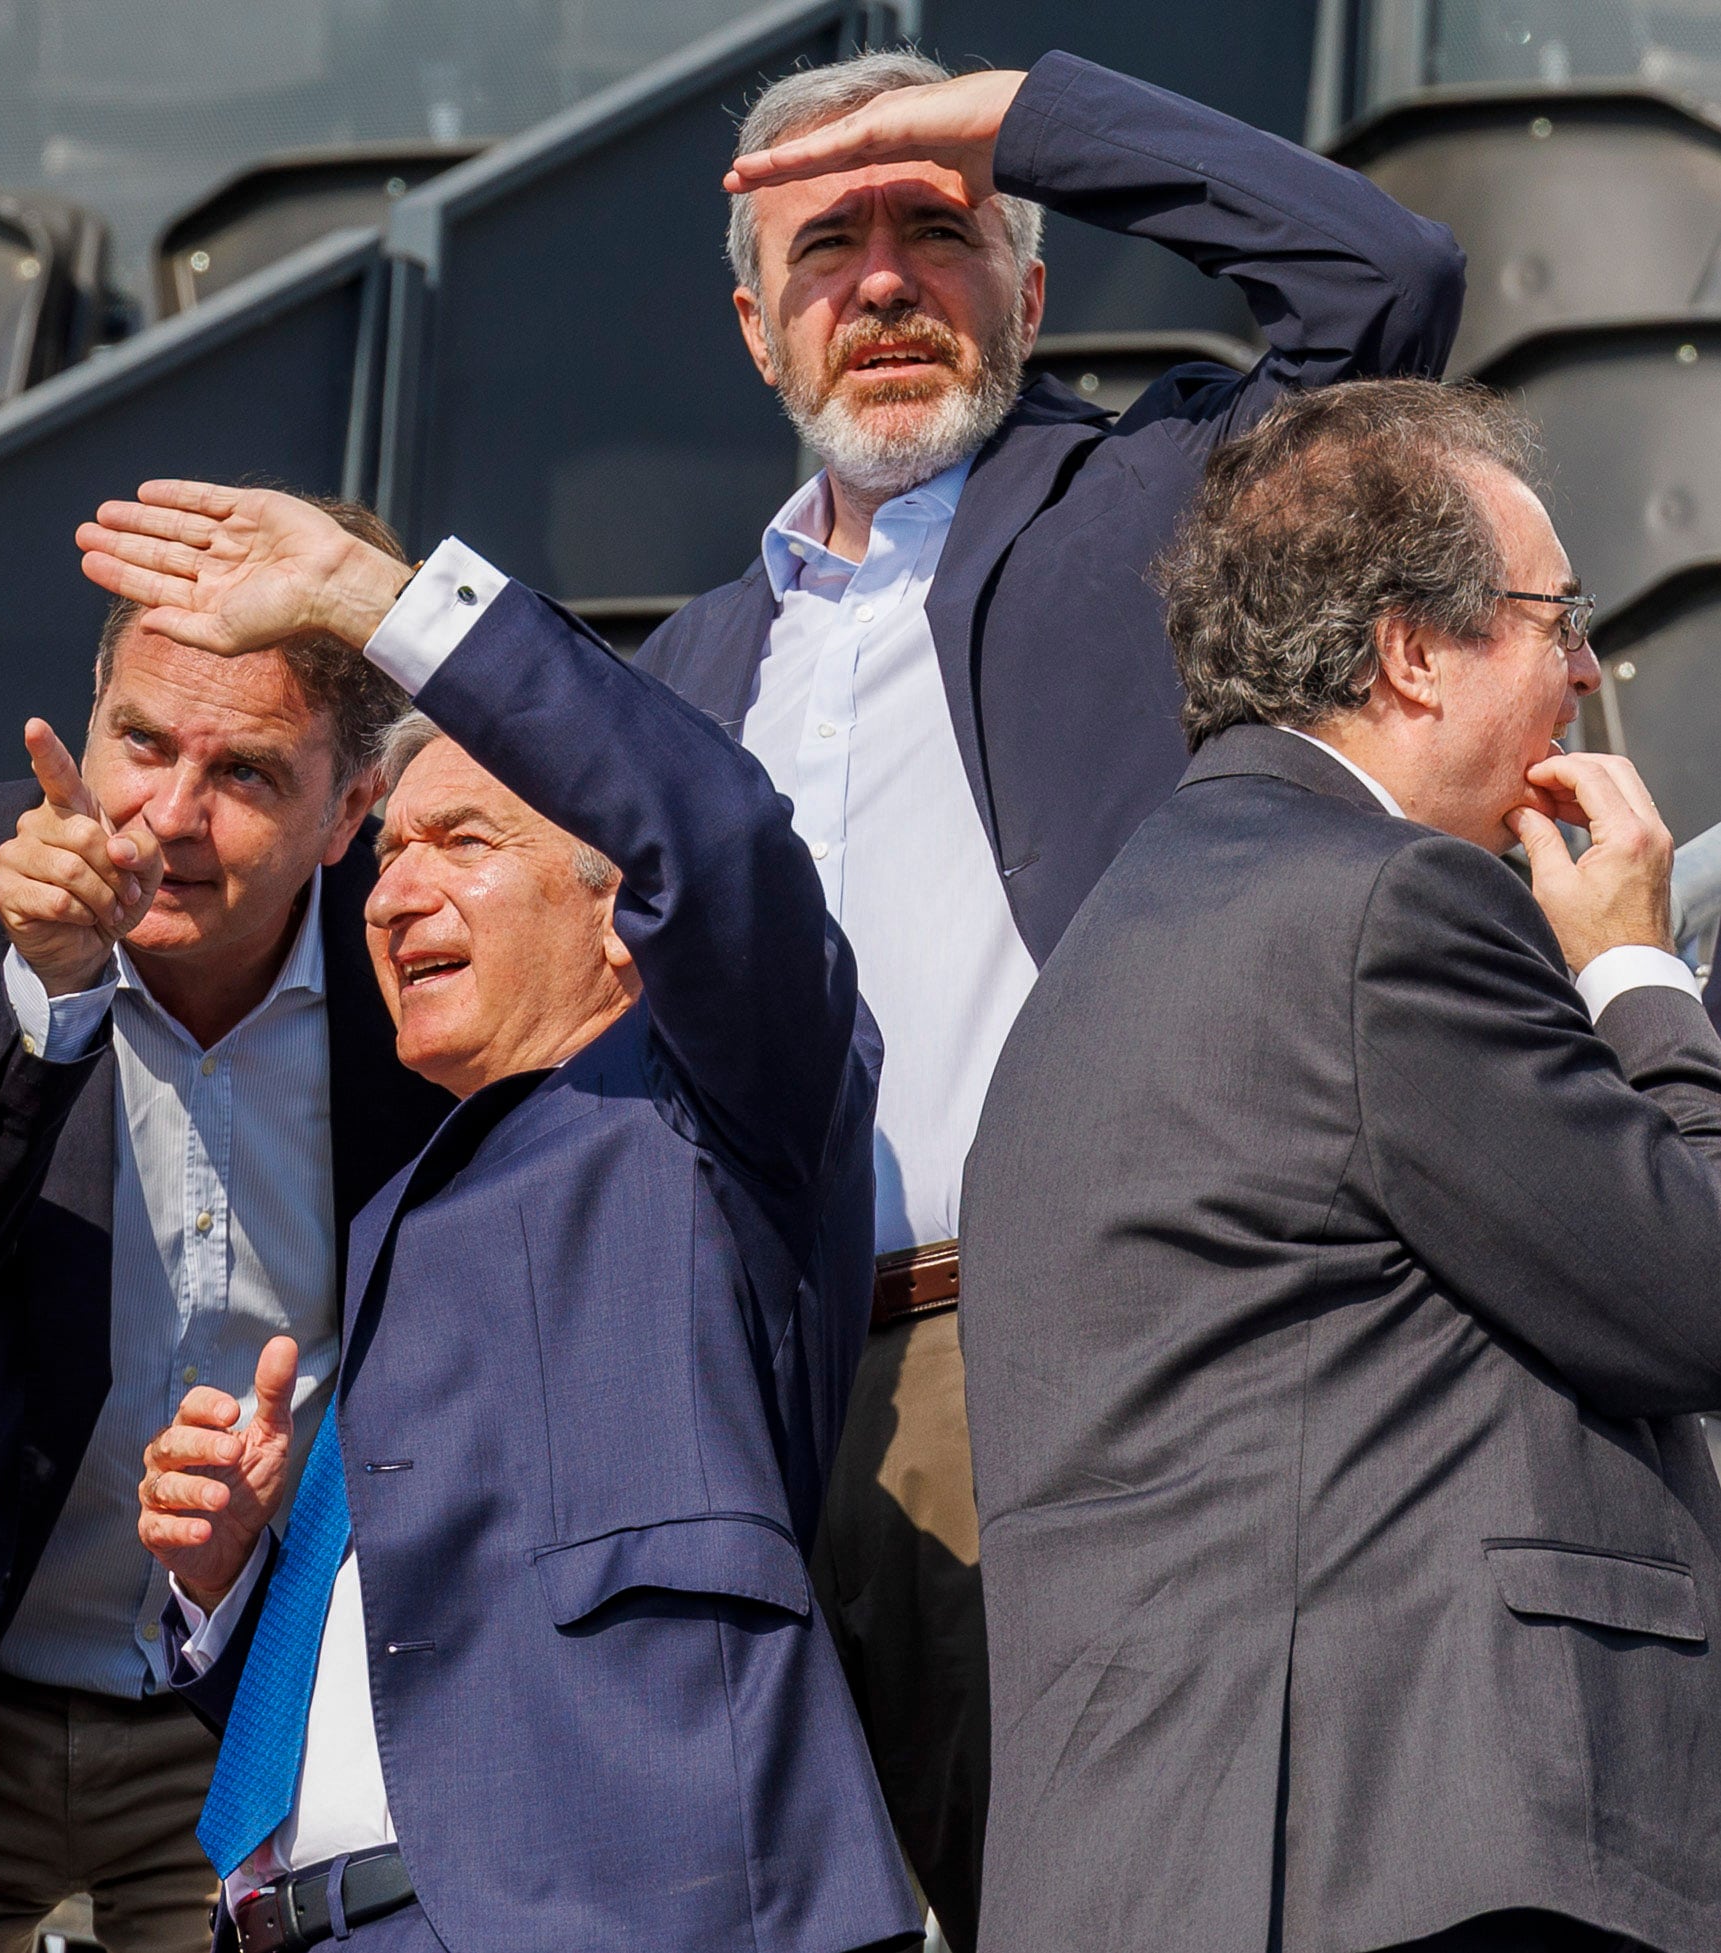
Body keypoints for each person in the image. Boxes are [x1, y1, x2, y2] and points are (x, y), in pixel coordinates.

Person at [648, 48, 1466, 1942]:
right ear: (753, 320)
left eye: (937, 229)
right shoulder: (682, 668)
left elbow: (1384, 289)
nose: (878, 282)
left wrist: (1013, 121)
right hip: (750, 1407)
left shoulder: (1162, 501)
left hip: (1062, 1364)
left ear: (1029, 288)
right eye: (824, 244)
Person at [93, 480, 918, 1953]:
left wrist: (380, 604)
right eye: (386, 850)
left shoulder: (714, 1111)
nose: (392, 892)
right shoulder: (411, 1200)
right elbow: (418, 1666)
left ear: (619, 909)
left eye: (460, 840)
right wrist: (233, 1578)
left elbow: (716, 836)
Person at [961, 381, 1721, 1952]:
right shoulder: (1387, 912)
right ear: (1406, 651)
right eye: (1555, 619)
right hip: (1420, 1857)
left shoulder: (1105, 955)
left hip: (1168, 1870)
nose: (1586, 671)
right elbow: (1697, 1291)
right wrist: (1639, 977)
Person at [0, 499, 454, 1953]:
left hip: (253, 1703)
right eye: (139, 742)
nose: (169, 816)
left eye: (243, 769)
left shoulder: (430, 956)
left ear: (351, 808)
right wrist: (40, 1003)